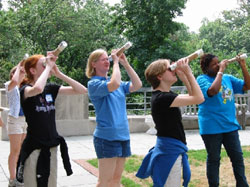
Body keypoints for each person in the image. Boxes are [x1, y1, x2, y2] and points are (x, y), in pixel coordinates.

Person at [16, 53, 87, 187]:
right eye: (43, 65)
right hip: (34, 149)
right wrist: (49, 66)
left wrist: (59, 74)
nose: (48, 66)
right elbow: (37, 89)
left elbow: (82, 90)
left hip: (51, 147)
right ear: (32, 70)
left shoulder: (50, 89)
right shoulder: (25, 90)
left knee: (50, 184)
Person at [136, 58, 204, 187]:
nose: (173, 69)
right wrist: (189, 73)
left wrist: (184, 77)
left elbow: (193, 96)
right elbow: (199, 98)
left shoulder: (164, 96)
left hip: (170, 149)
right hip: (169, 152)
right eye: (169, 68)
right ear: (160, 76)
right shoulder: (163, 98)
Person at [85, 48, 142, 187]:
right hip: (106, 138)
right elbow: (114, 83)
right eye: (103, 59)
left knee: (116, 181)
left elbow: (138, 84)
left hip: (122, 136)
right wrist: (116, 62)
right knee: (105, 181)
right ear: (93, 64)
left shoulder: (119, 85)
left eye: (108, 59)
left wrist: (125, 64)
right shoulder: (94, 84)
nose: (107, 61)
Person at [197, 53, 250, 187]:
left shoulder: (228, 78)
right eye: (214, 64)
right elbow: (213, 91)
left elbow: (247, 86)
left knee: (237, 159)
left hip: (230, 126)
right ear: (206, 67)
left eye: (219, 62)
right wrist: (220, 71)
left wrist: (243, 66)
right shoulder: (202, 79)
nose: (218, 65)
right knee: (214, 160)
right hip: (211, 128)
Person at [4, 60, 27, 187]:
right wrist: (19, 67)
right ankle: (12, 180)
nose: (18, 74)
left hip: (24, 120)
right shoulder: (9, 85)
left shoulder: (25, 87)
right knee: (15, 150)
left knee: (22, 150)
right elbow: (14, 81)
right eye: (15, 72)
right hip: (14, 120)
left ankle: (19, 176)